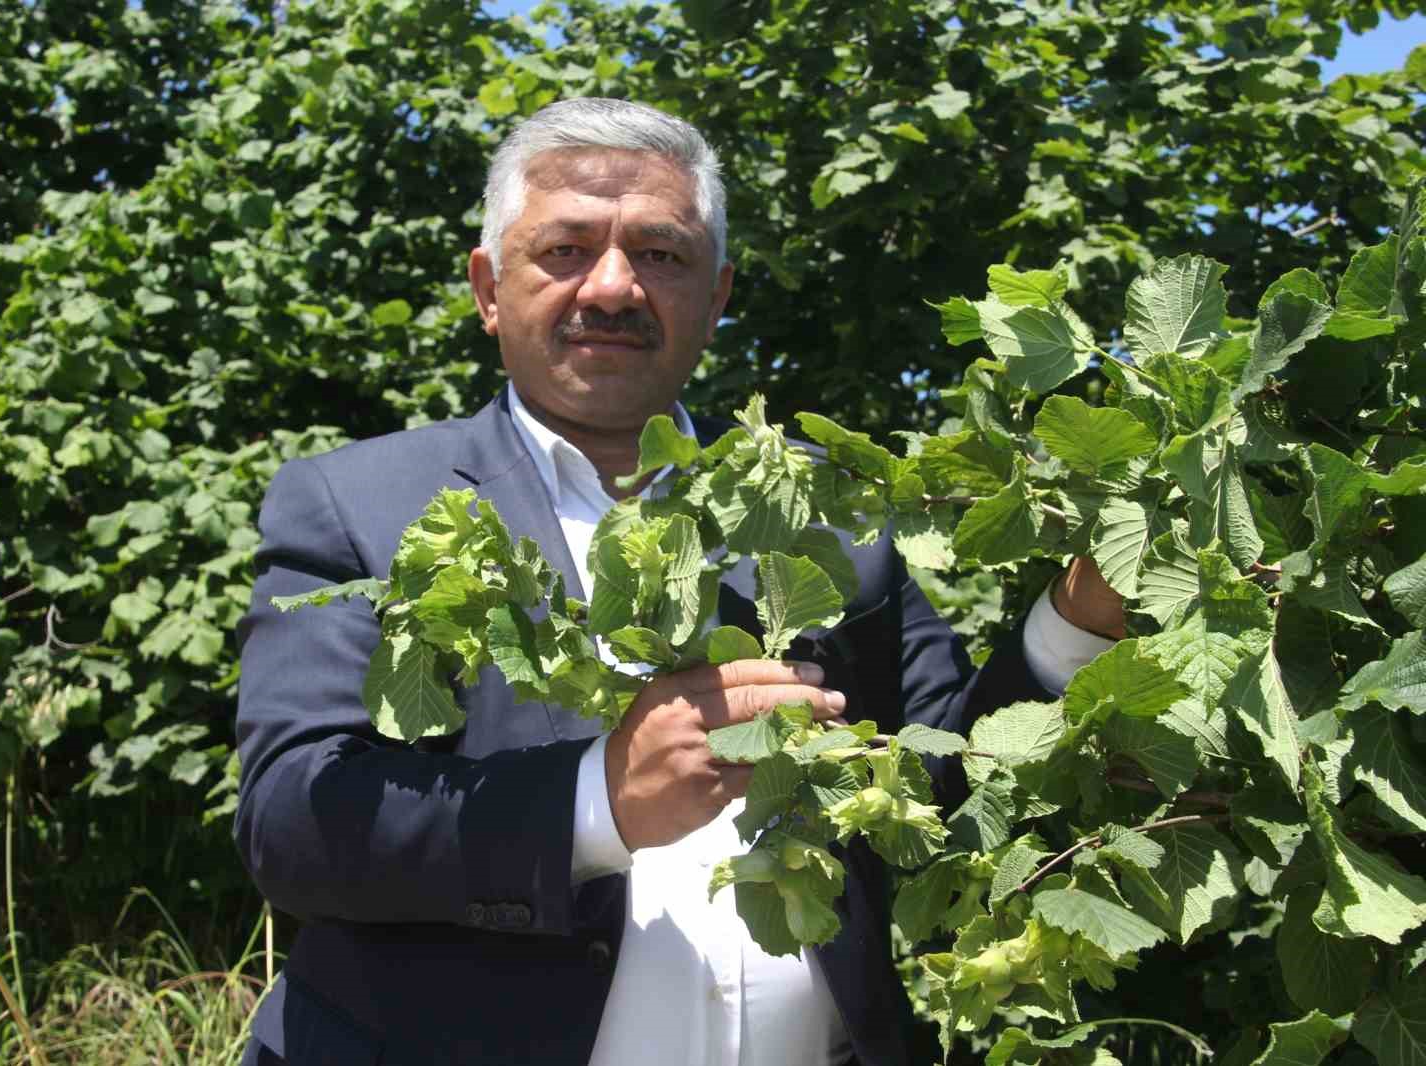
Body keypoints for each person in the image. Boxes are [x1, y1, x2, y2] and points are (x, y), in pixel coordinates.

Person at [233, 97, 1124, 1066]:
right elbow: (294, 821)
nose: (612, 287)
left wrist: (1072, 624)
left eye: (659, 255)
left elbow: (949, 780)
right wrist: (592, 803)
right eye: (566, 249)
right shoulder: (361, 502)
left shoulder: (828, 524)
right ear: (489, 288)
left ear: (718, 293)